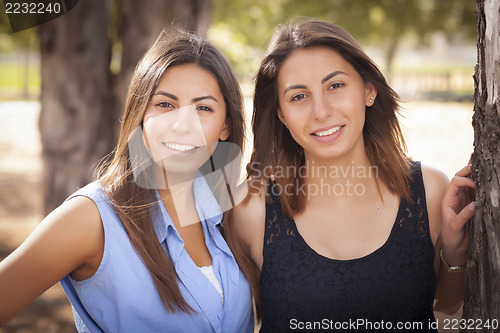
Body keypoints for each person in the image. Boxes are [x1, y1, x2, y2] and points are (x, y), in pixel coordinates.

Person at [230, 19, 475, 332]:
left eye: (335, 86)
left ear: (368, 89)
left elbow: (446, 304)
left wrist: (454, 253)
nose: (321, 111)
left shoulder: (430, 189)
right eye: (299, 97)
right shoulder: (251, 208)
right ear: (281, 114)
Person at [0, 30, 254, 332]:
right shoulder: (91, 218)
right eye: (165, 104)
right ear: (141, 115)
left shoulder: (229, 211)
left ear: (225, 126)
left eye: (203, 108)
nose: (182, 125)